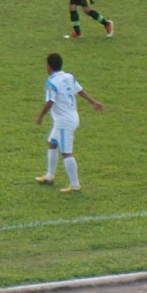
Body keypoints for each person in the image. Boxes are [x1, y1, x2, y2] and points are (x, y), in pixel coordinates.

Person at [35, 51, 102, 193]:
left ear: (49, 66)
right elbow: (81, 91)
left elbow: (50, 102)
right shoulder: (69, 77)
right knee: (52, 143)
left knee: (66, 153)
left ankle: (75, 185)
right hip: (70, 118)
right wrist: (94, 102)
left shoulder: (52, 82)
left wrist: (40, 116)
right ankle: (50, 176)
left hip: (64, 122)